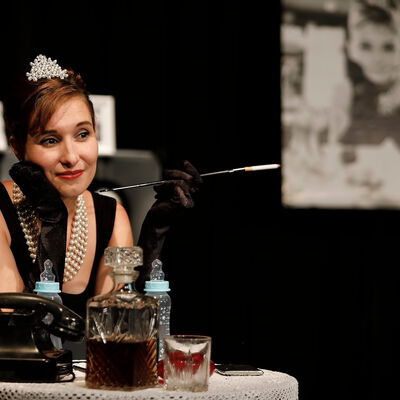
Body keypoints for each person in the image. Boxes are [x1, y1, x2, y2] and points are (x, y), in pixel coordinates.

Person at [0, 55, 202, 317]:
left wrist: (153, 237)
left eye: (83, 134)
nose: (71, 157)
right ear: (18, 148)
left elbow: (119, 330)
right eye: (50, 140)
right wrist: (53, 224)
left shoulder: (112, 217)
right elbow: (15, 333)